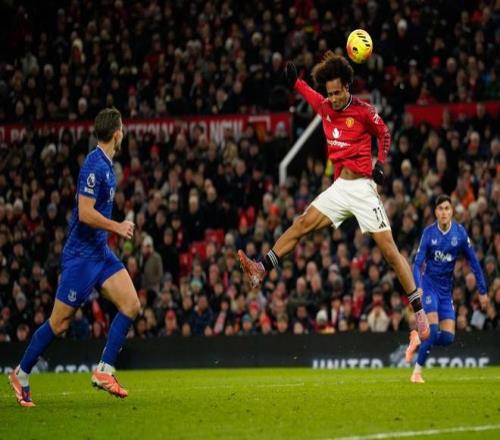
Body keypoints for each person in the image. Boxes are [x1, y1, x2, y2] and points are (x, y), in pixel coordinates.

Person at [238, 51, 429, 341]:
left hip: (363, 189)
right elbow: (310, 94)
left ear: (347, 87)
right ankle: (260, 269)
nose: (334, 98)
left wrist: (380, 163)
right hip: (340, 188)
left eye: (338, 92)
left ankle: (419, 310)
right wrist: (295, 82)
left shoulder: (363, 111)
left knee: (390, 252)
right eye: (330, 93)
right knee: (302, 223)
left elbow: (384, 134)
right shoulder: (325, 106)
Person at [9, 108, 140, 407]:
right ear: (117, 133)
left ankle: (105, 370)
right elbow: (85, 213)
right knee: (59, 323)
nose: (123, 132)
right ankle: (21, 373)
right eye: (122, 128)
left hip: (100, 252)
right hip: (81, 257)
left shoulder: (107, 165)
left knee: (131, 304)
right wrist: (117, 226)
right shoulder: (94, 165)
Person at [405, 194, 489, 383]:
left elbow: (474, 262)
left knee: (448, 338)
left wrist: (482, 291)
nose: (444, 212)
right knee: (433, 329)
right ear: (435, 212)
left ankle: (418, 338)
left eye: (447, 208)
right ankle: (416, 373)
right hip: (429, 286)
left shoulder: (459, 234)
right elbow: (417, 264)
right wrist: (418, 287)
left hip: (445, 291)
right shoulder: (429, 233)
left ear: (452, 212)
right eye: (440, 209)